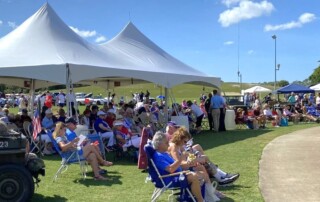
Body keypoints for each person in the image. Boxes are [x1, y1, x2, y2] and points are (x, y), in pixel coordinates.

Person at [165, 122, 239, 186]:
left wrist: (194, 157)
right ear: (179, 138)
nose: (185, 143)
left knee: (203, 159)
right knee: (202, 163)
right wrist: (191, 161)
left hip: (184, 167)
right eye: (185, 142)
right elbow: (179, 163)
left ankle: (221, 178)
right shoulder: (173, 147)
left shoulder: (179, 145)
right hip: (179, 171)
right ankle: (220, 178)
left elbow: (186, 154)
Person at [151, 131, 205, 202]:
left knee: (201, 174)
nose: (168, 144)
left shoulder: (164, 153)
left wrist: (188, 163)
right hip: (170, 179)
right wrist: (181, 158)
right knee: (194, 176)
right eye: (166, 143)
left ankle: (192, 198)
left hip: (177, 175)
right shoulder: (158, 156)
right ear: (159, 145)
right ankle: (200, 200)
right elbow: (170, 169)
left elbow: (175, 165)